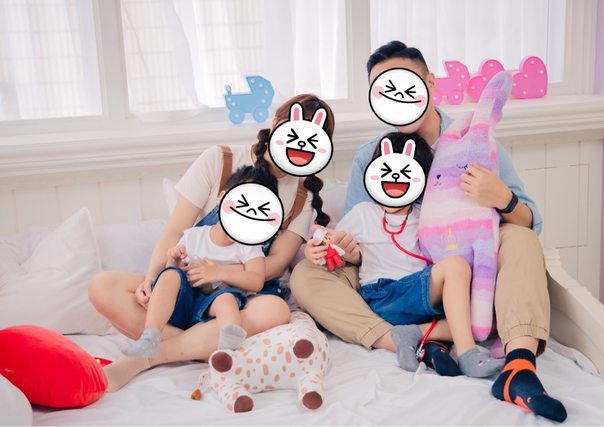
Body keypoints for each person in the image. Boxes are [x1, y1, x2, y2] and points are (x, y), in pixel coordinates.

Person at [290, 41, 567, 422]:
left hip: (466, 270)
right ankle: (398, 339)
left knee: (520, 238)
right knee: (305, 274)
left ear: (430, 83)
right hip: (400, 282)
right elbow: (360, 239)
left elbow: (530, 222)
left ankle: (518, 365)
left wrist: (502, 198)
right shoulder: (370, 156)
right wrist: (334, 250)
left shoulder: (475, 138)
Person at [89, 94, 333, 392]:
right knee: (103, 287)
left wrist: (220, 271)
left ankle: (149, 357)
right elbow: (175, 229)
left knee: (276, 310)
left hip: (241, 294)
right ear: (275, 125)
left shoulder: (301, 197)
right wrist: (153, 278)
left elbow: (276, 264)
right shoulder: (221, 160)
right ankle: (201, 343)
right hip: (190, 281)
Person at [305, 132, 503, 378]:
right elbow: (335, 244)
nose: (395, 179)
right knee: (456, 267)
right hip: (385, 295)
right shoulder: (363, 213)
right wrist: (318, 248)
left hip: (420, 298)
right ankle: (468, 355)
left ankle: (415, 332)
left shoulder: (426, 215)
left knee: (489, 321)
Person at [123, 166, 276, 358]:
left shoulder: (249, 246)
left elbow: (256, 280)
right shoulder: (194, 235)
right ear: (221, 198)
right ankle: (150, 336)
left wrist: (219, 272)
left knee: (226, 299)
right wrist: (173, 260)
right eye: (241, 202)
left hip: (214, 303)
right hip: (186, 298)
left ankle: (229, 343)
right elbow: (173, 275)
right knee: (170, 275)